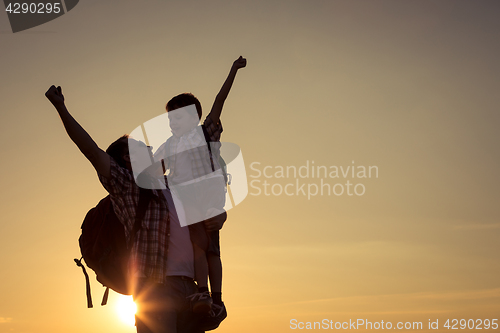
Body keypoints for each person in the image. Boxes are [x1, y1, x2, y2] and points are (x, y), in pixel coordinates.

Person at [45, 85, 226, 333]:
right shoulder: (130, 188)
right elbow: (92, 151)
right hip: (155, 289)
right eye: (142, 147)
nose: (151, 148)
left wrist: (219, 213)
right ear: (129, 158)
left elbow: (202, 211)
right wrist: (61, 108)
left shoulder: (172, 185)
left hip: (191, 290)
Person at [154, 56, 246, 316]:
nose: (173, 122)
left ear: (195, 117)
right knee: (198, 247)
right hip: (185, 201)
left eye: (179, 117)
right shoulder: (169, 145)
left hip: (207, 198)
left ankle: (216, 297)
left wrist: (233, 70)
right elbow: (154, 168)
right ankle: (203, 293)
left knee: (211, 249)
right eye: (170, 118)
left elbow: (220, 100)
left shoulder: (203, 134)